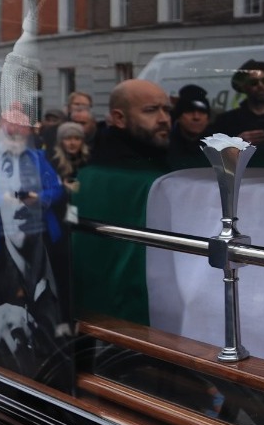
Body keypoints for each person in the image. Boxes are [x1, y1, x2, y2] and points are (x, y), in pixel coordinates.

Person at [0, 105, 67, 376]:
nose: (17, 130)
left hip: (36, 235)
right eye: (11, 124)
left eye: (23, 125)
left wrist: (39, 198)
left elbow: (56, 189)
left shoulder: (37, 157)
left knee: (44, 299)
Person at [74, 80, 173, 326]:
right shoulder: (103, 173)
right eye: (151, 110)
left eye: (167, 110)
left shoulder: (159, 163)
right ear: (119, 118)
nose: (164, 118)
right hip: (120, 317)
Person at [210, 59, 264, 146]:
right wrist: (237, 143)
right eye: (254, 83)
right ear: (244, 87)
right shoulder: (227, 121)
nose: (260, 86)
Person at [168, 83, 213, 162]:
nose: (196, 117)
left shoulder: (218, 147)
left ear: (208, 119)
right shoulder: (164, 144)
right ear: (179, 117)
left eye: (202, 112)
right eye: (189, 111)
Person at [51, 121, 91, 195]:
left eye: (77, 138)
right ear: (60, 141)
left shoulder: (89, 160)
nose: (72, 143)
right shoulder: (53, 161)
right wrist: (63, 188)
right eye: (68, 138)